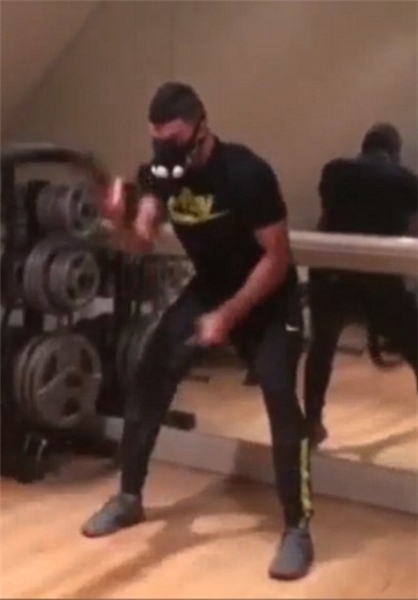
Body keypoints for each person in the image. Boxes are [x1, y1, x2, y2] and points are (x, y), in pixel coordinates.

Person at [82, 82, 315, 580]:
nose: (164, 149)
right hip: (209, 289)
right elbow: (141, 242)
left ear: (201, 127)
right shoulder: (160, 175)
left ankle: (297, 528)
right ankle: (128, 497)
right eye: (157, 139)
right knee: (150, 375)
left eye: (173, 139)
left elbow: (277, 258)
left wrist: (228, 317)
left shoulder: (246, 173)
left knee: (278, 393)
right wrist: (117, 222)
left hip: (269, 298)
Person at [304, 123, 418, 446]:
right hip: (378, 281)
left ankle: (312, 420)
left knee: (321, 348)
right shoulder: (404, 179)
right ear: (394, 151)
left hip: (332, 277)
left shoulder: (334, 172)